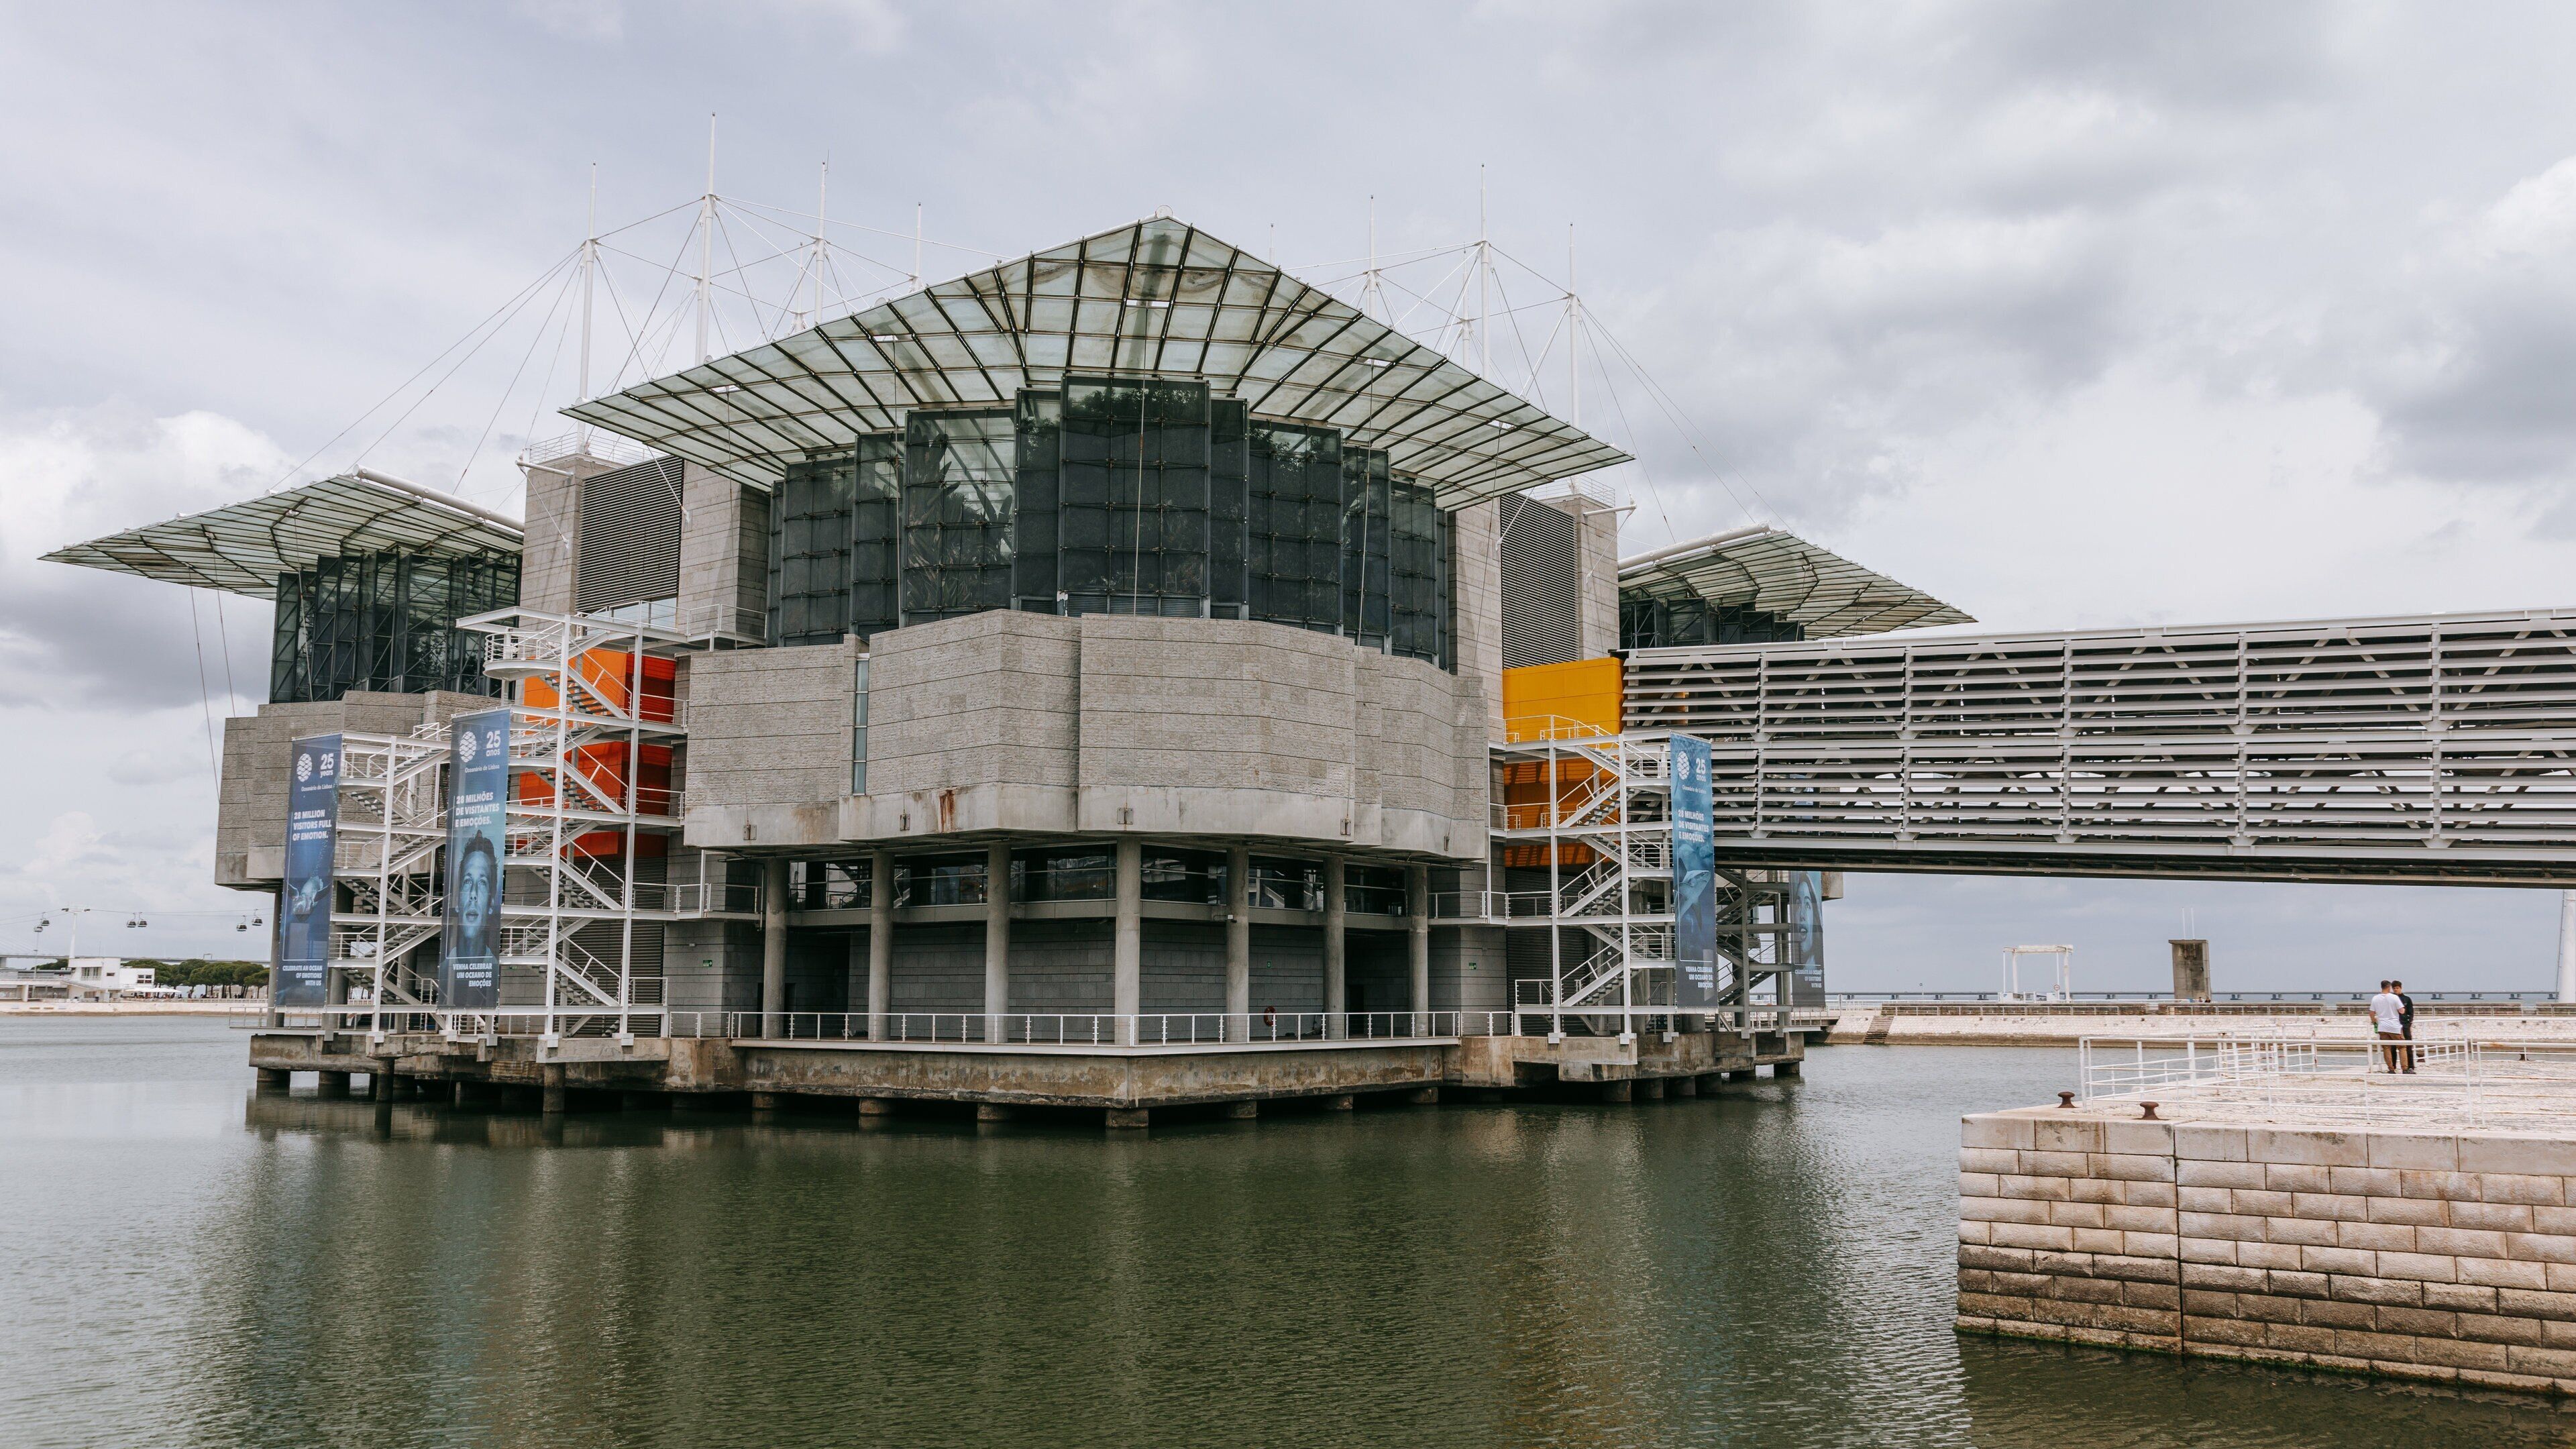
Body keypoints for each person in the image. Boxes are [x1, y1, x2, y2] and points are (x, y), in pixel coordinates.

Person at [2369, 979, 2406, 1073]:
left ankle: (2391, 1069)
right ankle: (2405, 1068)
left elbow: (2372, 1013)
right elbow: (2402, 1011)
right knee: (2402, 1047)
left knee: (2386, 1048)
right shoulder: (2394, 998)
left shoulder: (2375, 998)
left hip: (2382, 1026)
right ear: (2389, 987)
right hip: (2394, 1026)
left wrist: (2374, 1022)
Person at [2393, 977, 2418, 1073]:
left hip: (2405, 1025)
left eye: (2397, 988)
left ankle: (2411, 1066)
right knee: (2393, 1047)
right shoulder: (2392, 999)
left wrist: (2409, 1023)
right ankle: (2393, 1067)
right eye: (2394, 988)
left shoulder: (2407, 999)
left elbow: (2411, 1012)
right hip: (2395, 1025)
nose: (2396, 990)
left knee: (2408, 1045)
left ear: (2401, 988)